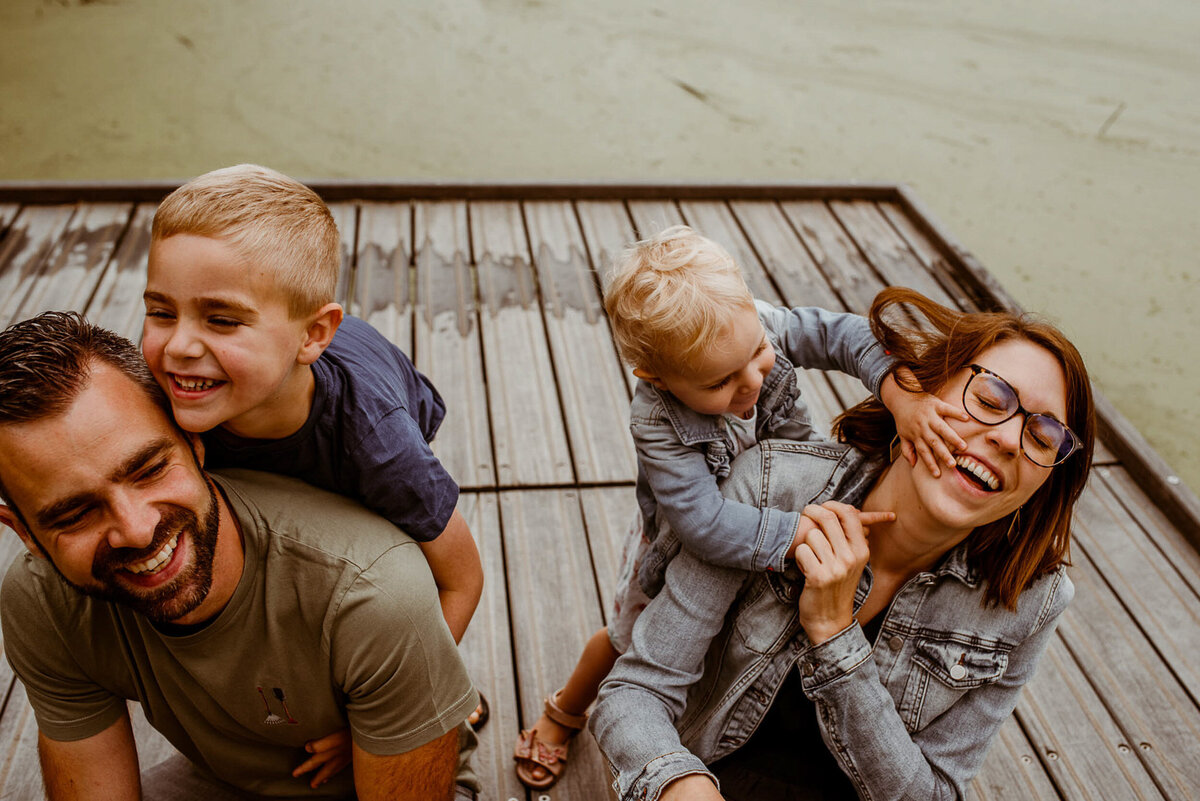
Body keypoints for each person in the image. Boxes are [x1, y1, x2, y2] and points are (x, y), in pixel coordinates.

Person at [590, 287, 1095, 801]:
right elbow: (637, 692)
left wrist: (834, 634)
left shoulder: (1034, 600)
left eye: (1042, 438)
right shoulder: (768, 487)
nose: (1010, 439)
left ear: (1047, 478)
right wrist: (680, 784)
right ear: (922, 388)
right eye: (990, 401)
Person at [513, 227, 966, 788]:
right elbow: (704, 524)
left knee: (731, 638)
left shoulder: (752, 327)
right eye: (721, 382)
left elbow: (846, 336)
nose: (753, 380)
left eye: (757, 354)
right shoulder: (656, 422)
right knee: (630, 639)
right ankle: (565, 711)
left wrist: (899, 394)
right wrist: (797, 532)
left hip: (776, 514)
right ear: (656, 377)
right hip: (695, 542)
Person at [0, 311, 481, 800]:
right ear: (26, 534)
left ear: (193, 441)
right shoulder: (40, 601)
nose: (138, 530)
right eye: (76, 514)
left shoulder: (373, 590)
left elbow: (462, 578)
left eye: (148, 469)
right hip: (227, 777)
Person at [141, 165, 488, 743]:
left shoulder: (378, 444)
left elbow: (460, 580)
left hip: (367, 417)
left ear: (312, 334)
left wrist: (377, 719)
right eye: (160, 312)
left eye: (221, 320)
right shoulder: (170, 390)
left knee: (383, 565)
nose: (178, 346)